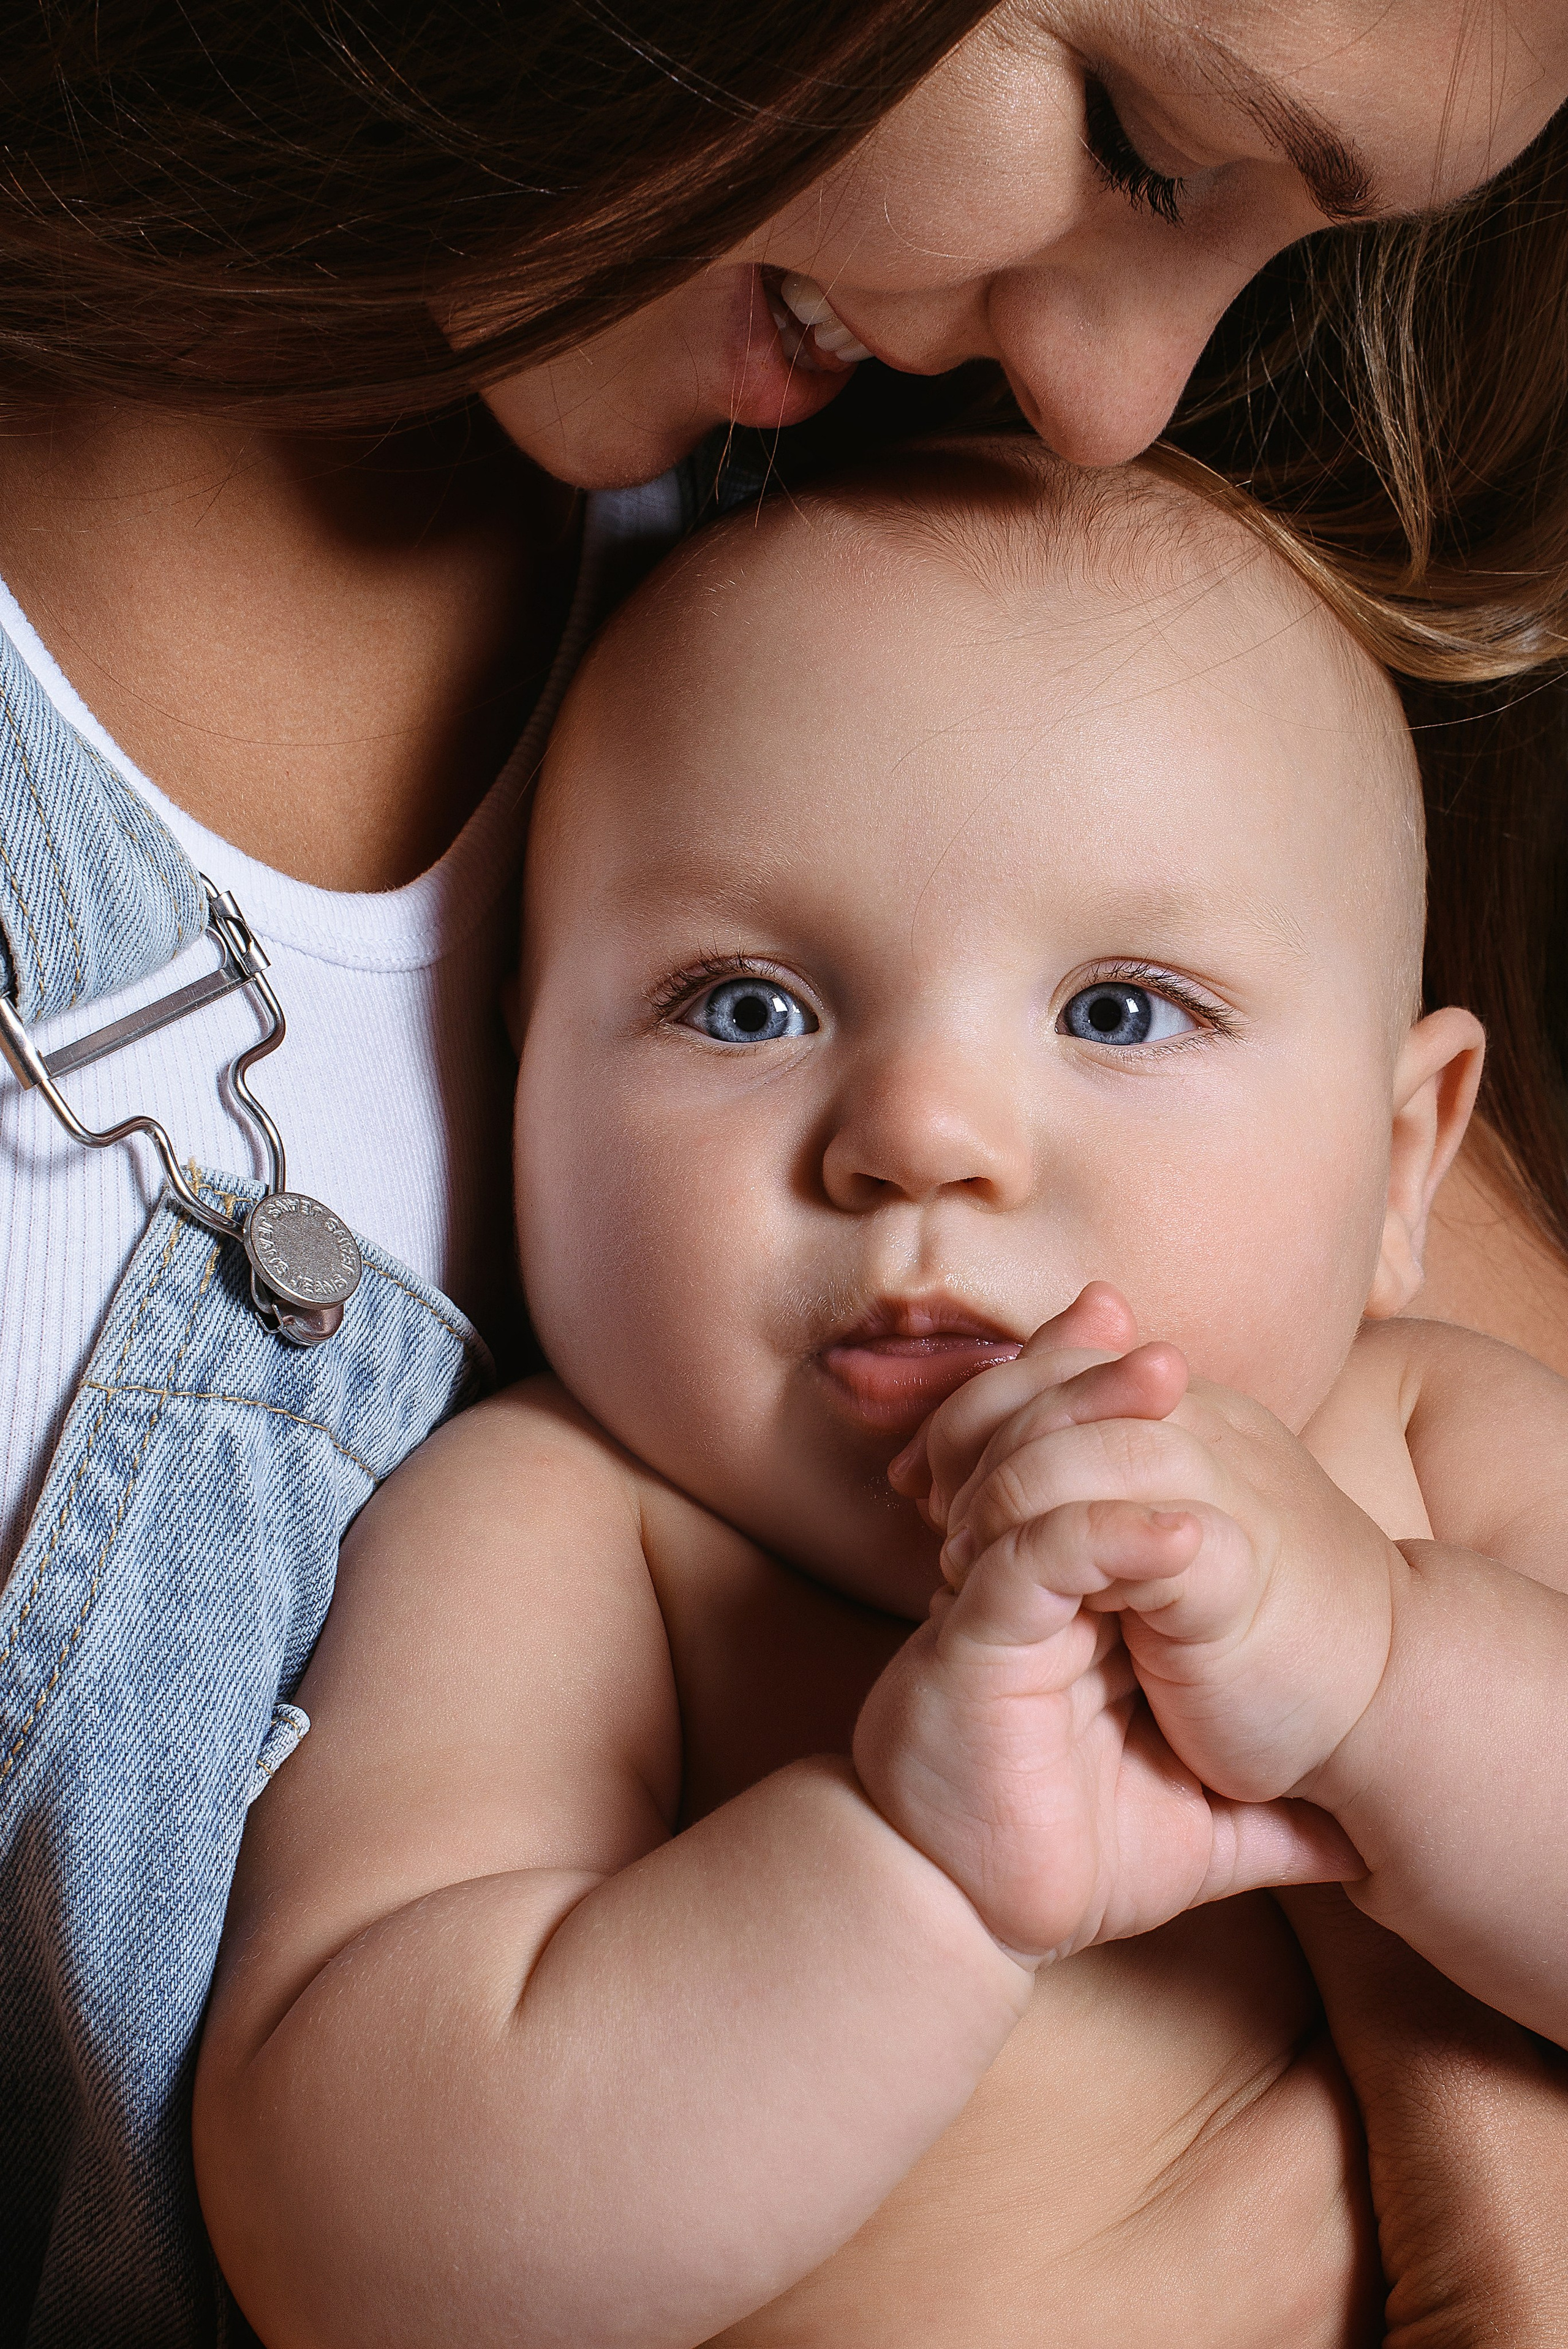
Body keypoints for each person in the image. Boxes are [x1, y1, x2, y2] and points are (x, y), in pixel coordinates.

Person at [3, 1, 1568, 2337]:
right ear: (505, 1057)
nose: (925, 1136)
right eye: (745, 1009)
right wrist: (916, 1869)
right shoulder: (565, 1548)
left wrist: (1375, 1670)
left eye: (1121, 1014)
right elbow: (366, 2247)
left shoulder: (1421, 1442)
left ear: (1406, 1148)